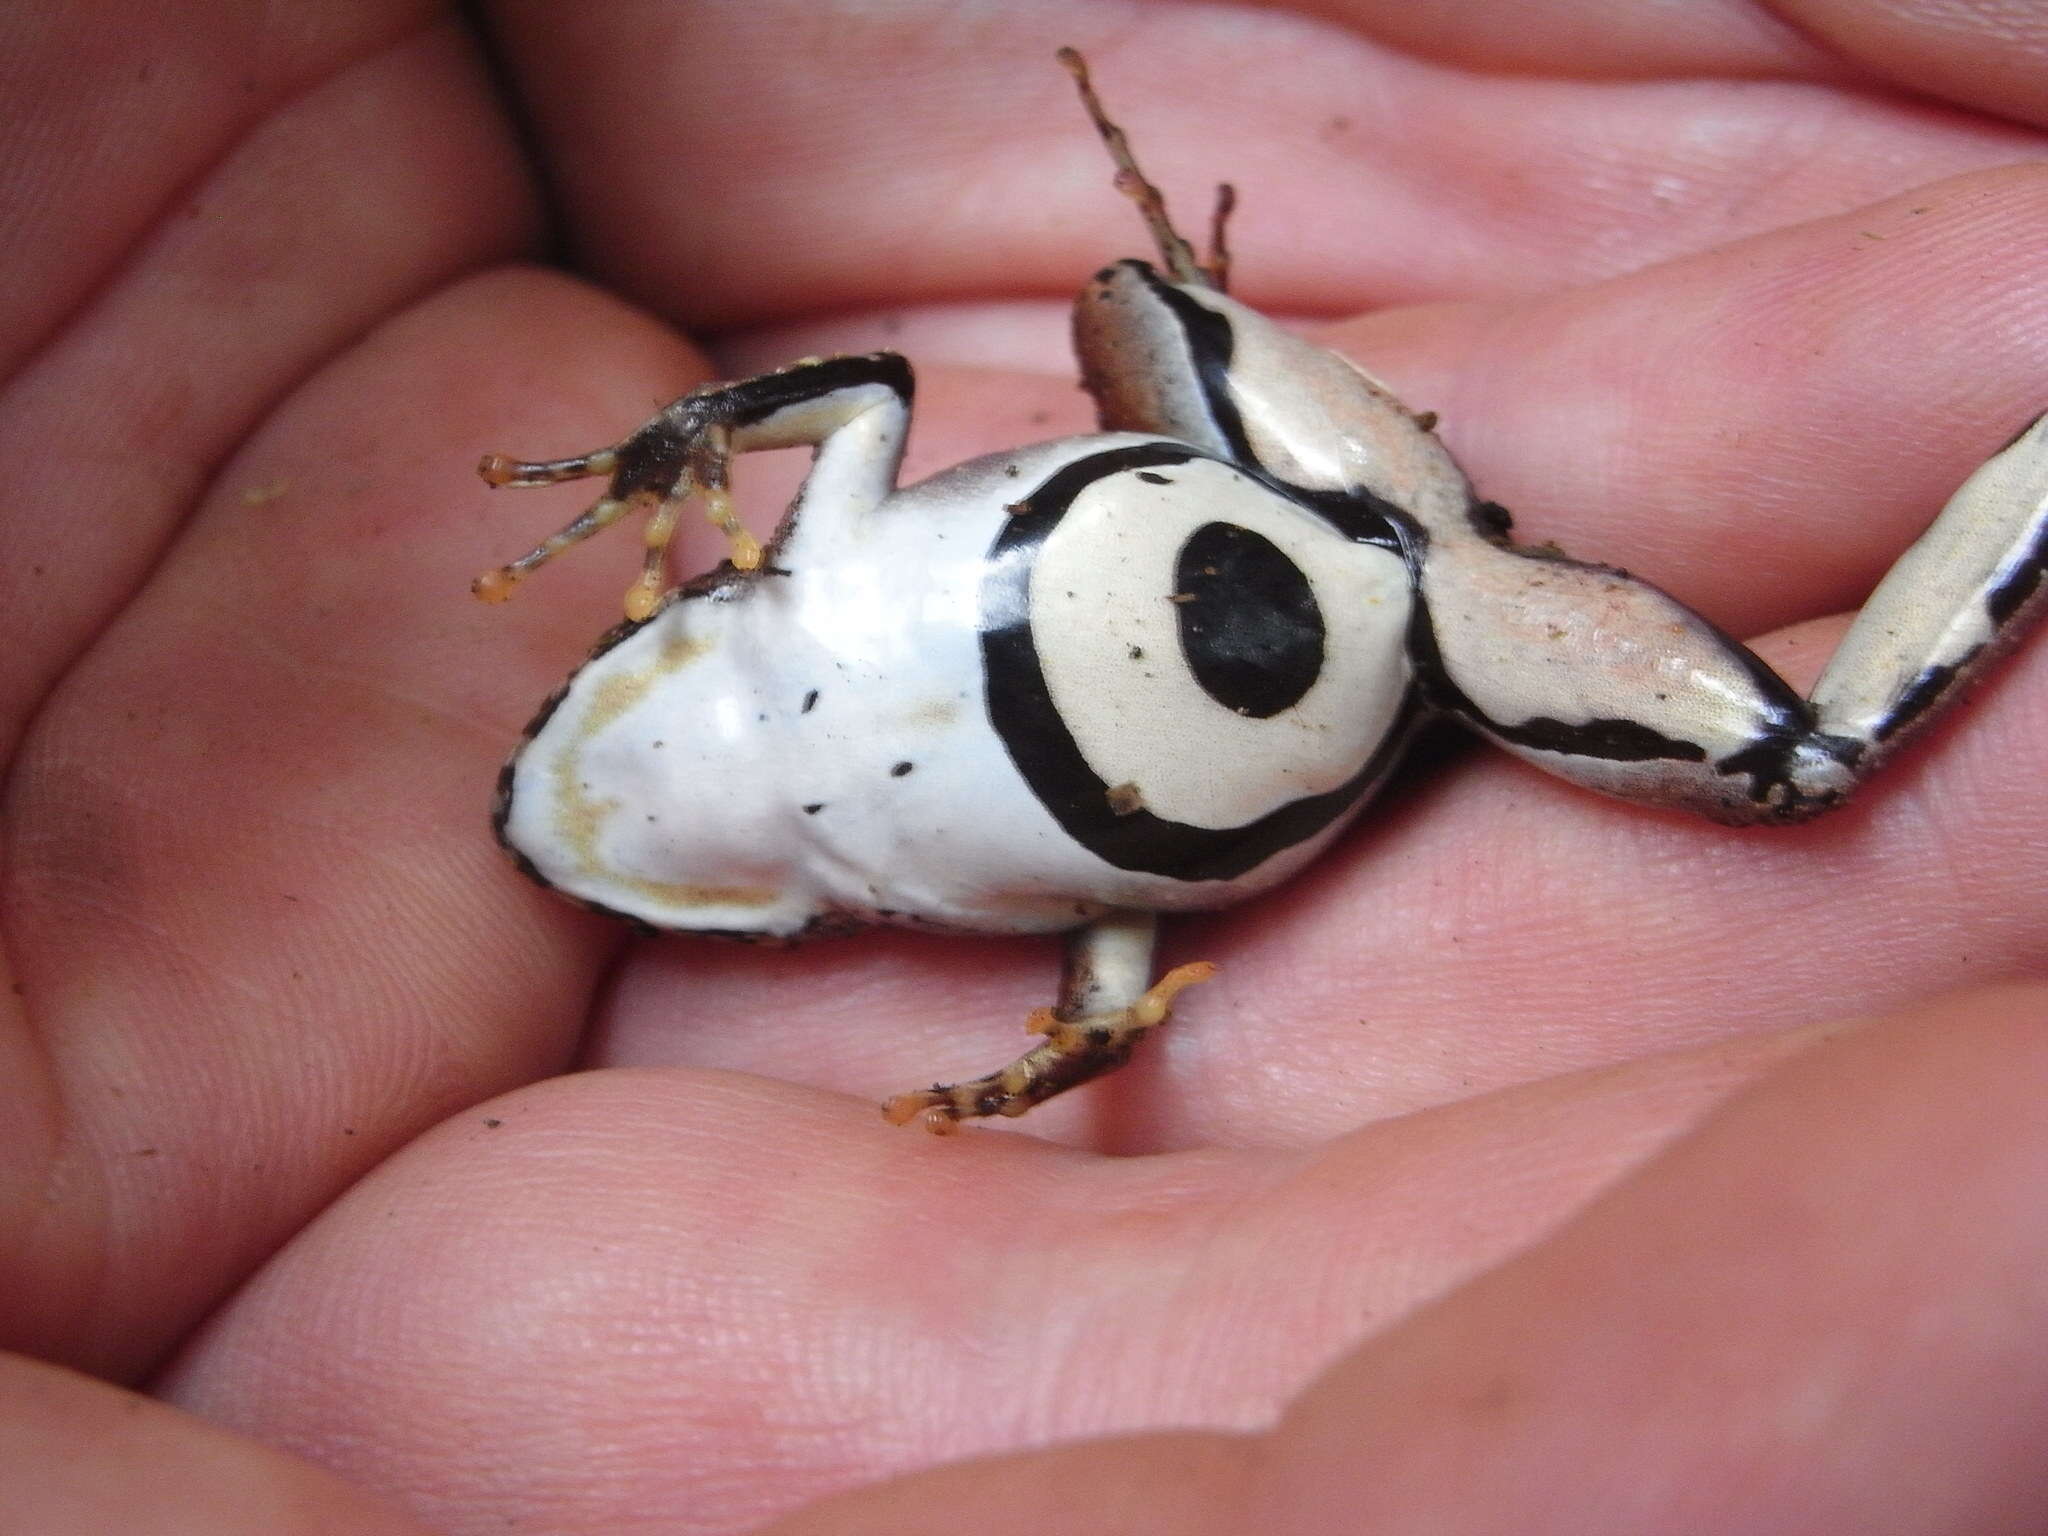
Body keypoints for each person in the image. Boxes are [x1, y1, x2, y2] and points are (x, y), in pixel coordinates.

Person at [6, 3, 2046, 1531]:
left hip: (1335, 597)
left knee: (1795, 765)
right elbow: (869, 404)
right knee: (1784, 758)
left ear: (703, 627)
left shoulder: (1009, 865)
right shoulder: (923, 717)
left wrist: (1062, 1047)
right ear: (816, 907)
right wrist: (1060, 1048)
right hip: (1362, 608)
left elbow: (1089, 939)